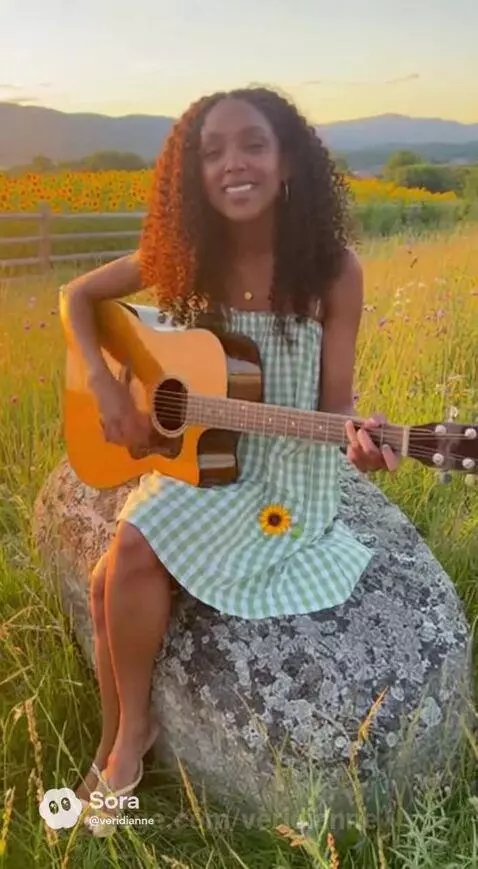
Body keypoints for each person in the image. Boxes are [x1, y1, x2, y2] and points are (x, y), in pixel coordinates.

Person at [61, 85, 399, 823]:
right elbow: (78, 295)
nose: (232, 164)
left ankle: (122, 751)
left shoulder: (332, 269)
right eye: (211, 153)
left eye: (252, 145)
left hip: (280, 474)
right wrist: (105, 384)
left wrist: (357, 440)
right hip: (208, 457)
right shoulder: (184, 257)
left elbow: (335, 402)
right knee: (101, 581)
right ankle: (123, 730)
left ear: (287, 165)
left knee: (134, 549)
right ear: (192, 177)